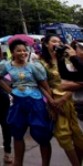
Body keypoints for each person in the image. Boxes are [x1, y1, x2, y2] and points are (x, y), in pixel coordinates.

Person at [0, 38, 54, 166]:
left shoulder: (34, 66)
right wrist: (10, 91)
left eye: (25, 50)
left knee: (43, 135)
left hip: (36, 103)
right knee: (17, 134)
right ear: (12, 52)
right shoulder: (6, 65)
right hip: (18, 103)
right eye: (19, 51)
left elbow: (45, 86)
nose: (23, 53)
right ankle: (18, 162)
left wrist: (50, 104)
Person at [40, 34, 83, 165]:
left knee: (79, 135)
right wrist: (52, 102)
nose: (57, 44)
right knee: (63, 135)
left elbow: (75, 79)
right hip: (55, 101)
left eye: (59, 41)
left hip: (71, 100)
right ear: (46, 44)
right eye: (54, 41)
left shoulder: (70, 59)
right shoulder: (40, 63)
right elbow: (40, 84)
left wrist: (65, 97)